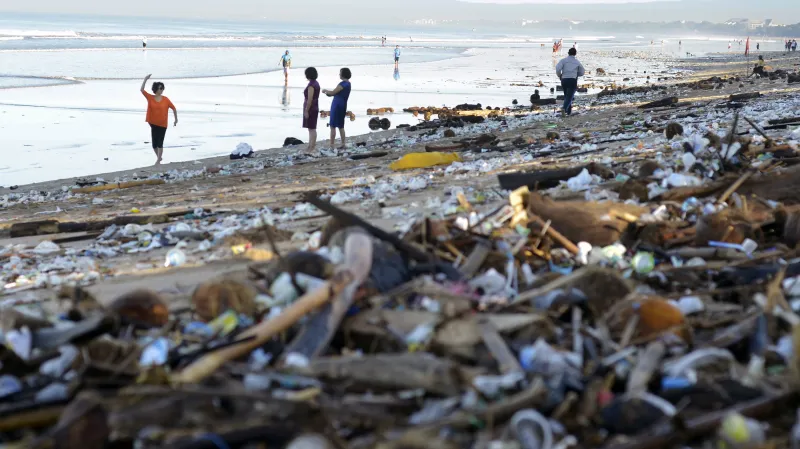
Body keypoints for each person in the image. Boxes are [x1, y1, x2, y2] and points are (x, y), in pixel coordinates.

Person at [139, 74, 177, 165]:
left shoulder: (166, 99)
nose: (161, 90)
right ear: (156, 89)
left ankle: (158, 160)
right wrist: (145, 79)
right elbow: (142, 90)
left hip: (163, 124)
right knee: (154, 145)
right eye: (160, 88)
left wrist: (176, 119)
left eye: (162, 88)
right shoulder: (150, 98)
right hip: (153, 123)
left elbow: (174, 108)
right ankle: (159, 157)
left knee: (160, 143)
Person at [323, 68, 352, 149]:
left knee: (332, 125)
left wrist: (325, 91)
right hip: (343, 104)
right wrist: (329, 94)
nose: (339, 74)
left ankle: (332, 144)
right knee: (341, 125)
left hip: (337, 105)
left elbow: (333, 92)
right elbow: (335, 93)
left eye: (340, 73)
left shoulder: (343, 84)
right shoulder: (348, 84)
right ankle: (343, 143)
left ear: (343, 74)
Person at [555, 47, 585, 116]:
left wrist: (559, 75)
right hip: (572, 80)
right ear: (575, 54)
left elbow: (557, 68)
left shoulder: (563, 60)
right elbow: (582, 72)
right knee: (570, 96)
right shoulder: (577, 62)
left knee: (566, 95)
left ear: (568, 53)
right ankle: (564, 109)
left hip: (564, 79)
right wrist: (577, 74)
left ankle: (568, 112)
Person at [302, 67, 320, 153]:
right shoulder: (315, 83)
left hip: (311, 108)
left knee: (312, 128)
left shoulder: (311, 85)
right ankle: (310, 145)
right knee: (311, 128)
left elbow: (310, 99)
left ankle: (312, 147)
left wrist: (306, 110)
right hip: (315, 106)